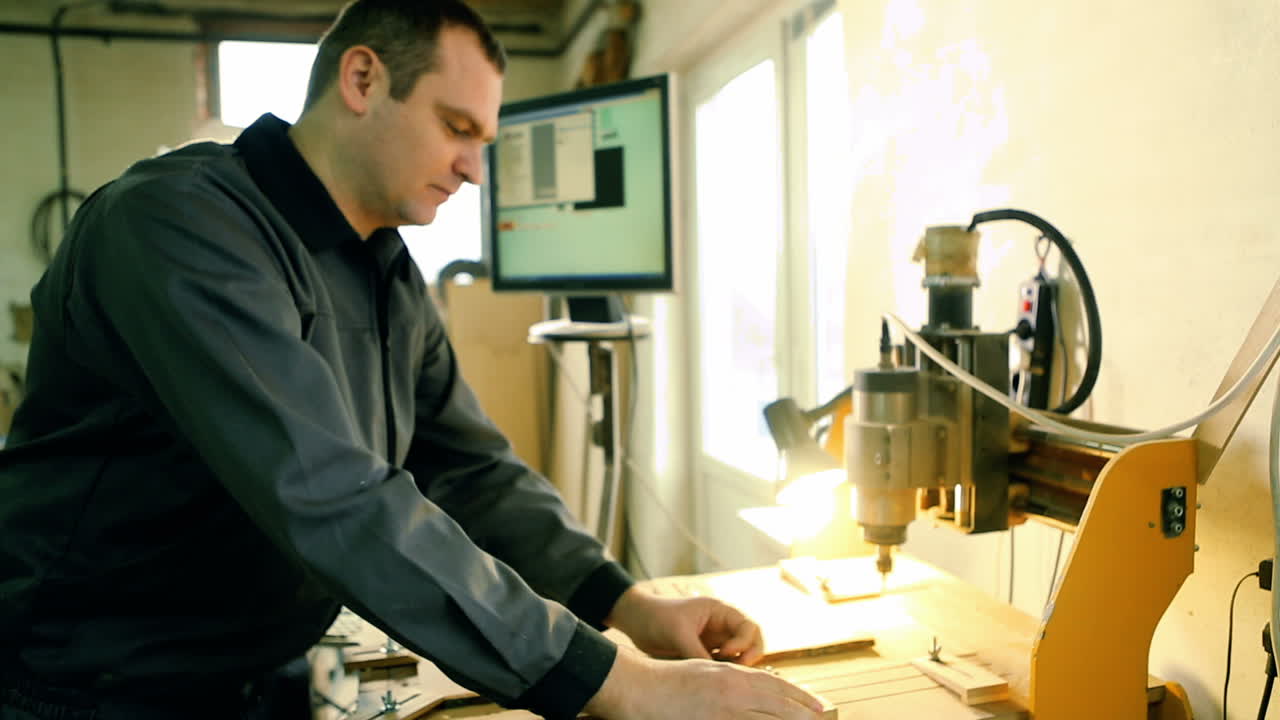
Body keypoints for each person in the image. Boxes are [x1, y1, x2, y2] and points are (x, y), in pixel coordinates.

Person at [0, 1, 827, 719]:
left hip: (260, 676)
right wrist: (614, 682)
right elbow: (335, 496)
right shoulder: (177, 228)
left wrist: (622, 601)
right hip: (95, 689)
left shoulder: (386, 270)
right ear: (362, 81)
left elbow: (471, 472)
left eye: (484, 139)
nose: (475, 167)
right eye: (457, 127)